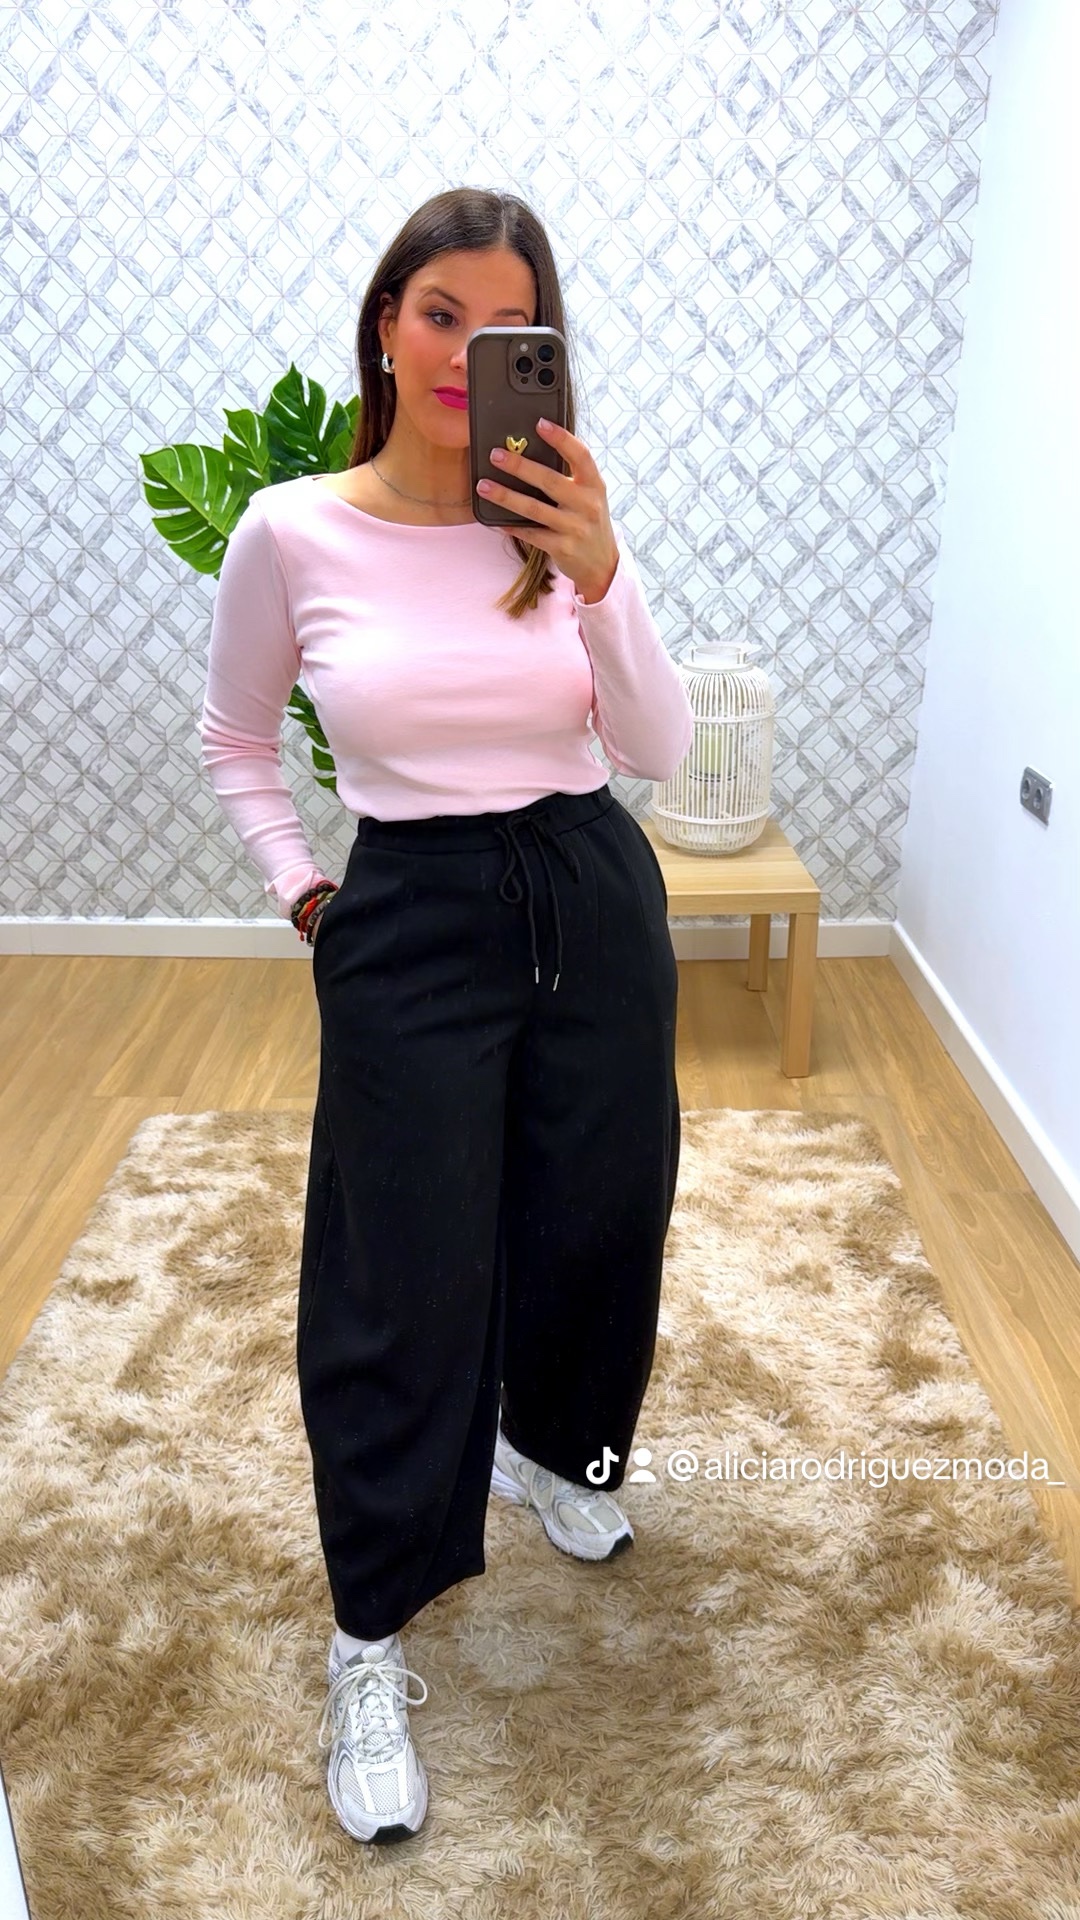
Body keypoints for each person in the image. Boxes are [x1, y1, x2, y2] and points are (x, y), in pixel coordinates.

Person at [199, 186, 694, 1846]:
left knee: (598, 1213)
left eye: (506, 326)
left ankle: (553, 1447)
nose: (464, 350)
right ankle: (368, 1630)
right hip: (408, 904)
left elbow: (657, 750)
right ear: (386, 322)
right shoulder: (293, 531)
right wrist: (307, 894)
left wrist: (602, 571)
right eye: (439, 314)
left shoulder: (555, 525)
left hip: (590, 889)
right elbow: (235, 737)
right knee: (397, 1268)